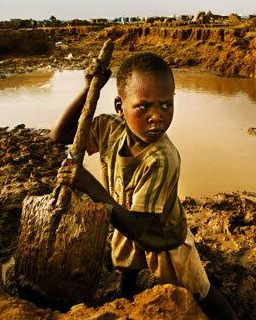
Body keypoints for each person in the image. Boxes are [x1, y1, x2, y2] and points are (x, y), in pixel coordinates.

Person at [50, 52, 238, 319]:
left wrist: (88, 184)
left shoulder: (162, 158)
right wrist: (88, 88)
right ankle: (126, 299)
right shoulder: (108, 129)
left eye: (166, 105)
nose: (157, 117)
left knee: (199, 289)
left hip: (163, 239)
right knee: (126, 269)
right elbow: (59, 134)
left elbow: (139, 228)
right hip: (124, 218)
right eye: (144, 106)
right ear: (119, 107)